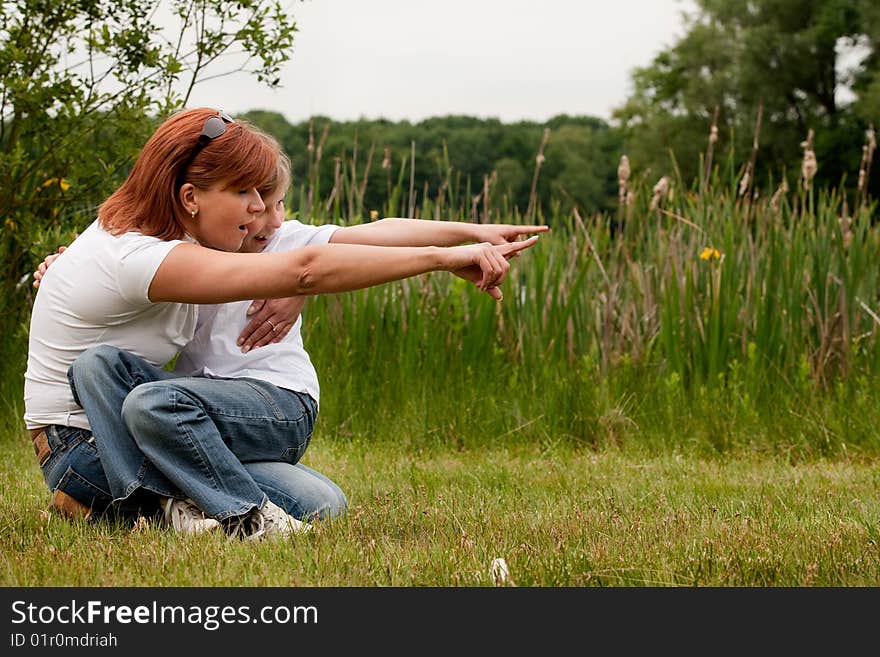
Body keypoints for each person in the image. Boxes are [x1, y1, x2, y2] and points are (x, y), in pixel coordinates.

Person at [24, 107, 544, 540]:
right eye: (247, 199)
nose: (261, 217)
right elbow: (302, 270)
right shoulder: (159, 254)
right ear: (190, 199)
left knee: (317, 498)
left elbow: (357, 241)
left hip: (257, 404)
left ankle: (160, 508)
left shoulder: (211, 241)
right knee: (110, 374)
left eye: (268, 202)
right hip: (101, 441)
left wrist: (469, 233)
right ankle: (208, 514)